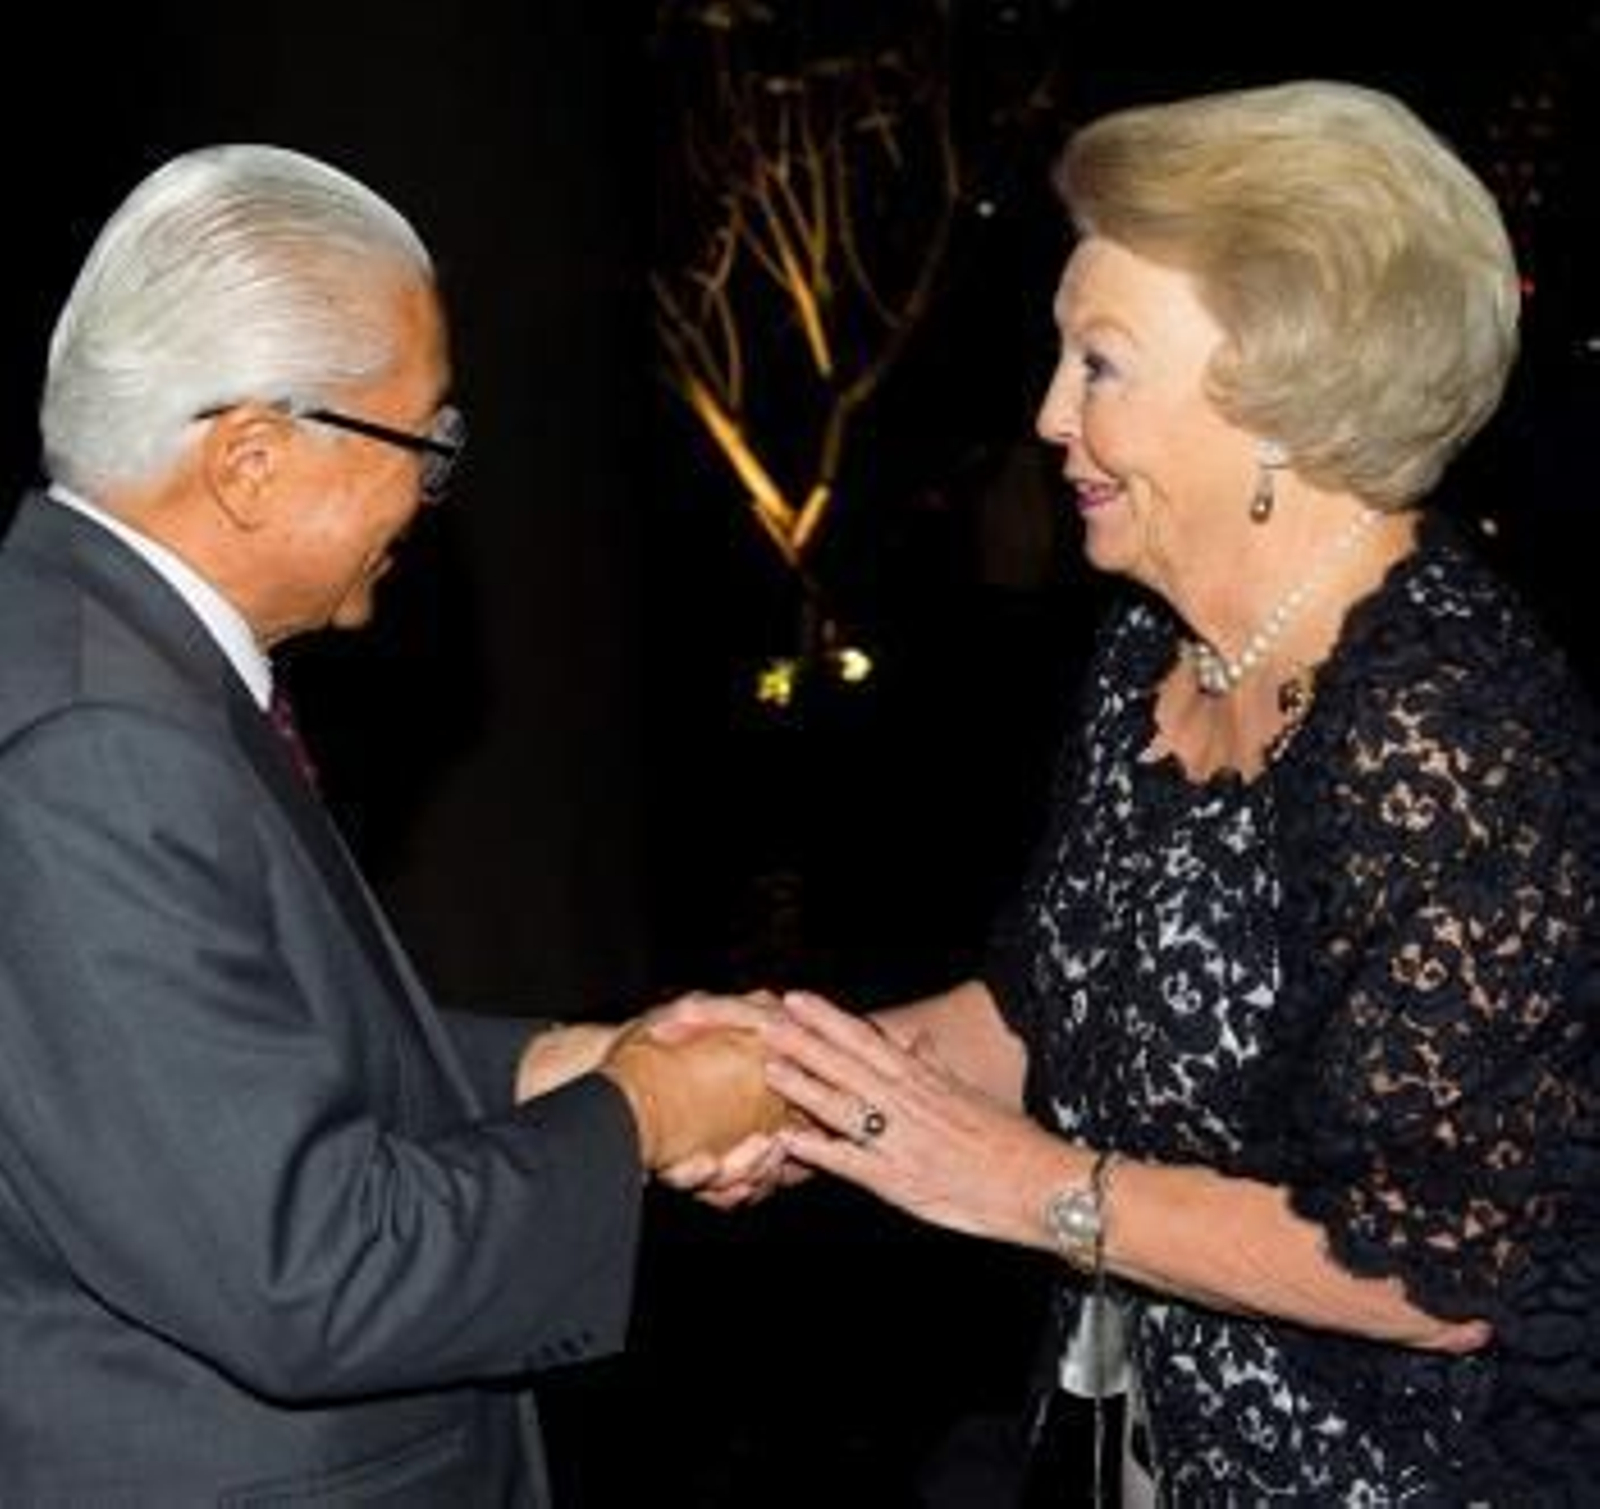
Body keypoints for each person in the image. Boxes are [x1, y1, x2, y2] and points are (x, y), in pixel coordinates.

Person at [689, 79, 1600, 1502]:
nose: (1049, 414)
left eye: (1100, 364)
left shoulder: (1455, 733)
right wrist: (782, 1080)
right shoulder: (1152, 660)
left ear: (1283, 395)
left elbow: (1436, 1263)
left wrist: (1023, 1186)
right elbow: (1047, 1009)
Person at [0, 143, 784, 1503]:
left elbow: (231, 1053)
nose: (433, 488)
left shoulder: (112, 660)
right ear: (250, 460)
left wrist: (550, 1065)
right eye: (427, 439)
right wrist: (640, 1118)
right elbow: (310, 1273)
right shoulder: (97, 749)